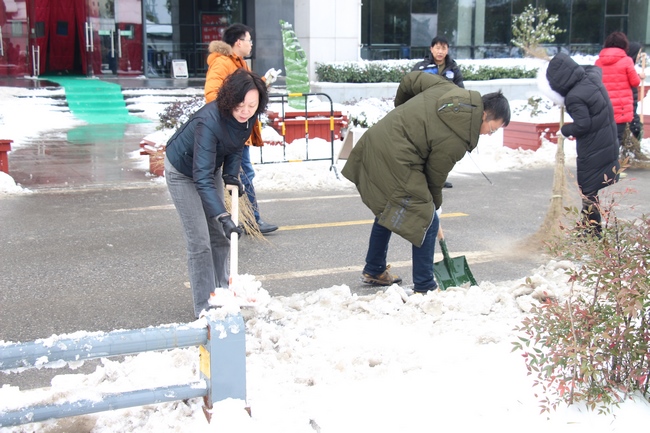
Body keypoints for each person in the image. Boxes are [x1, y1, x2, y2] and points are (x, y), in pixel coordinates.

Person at [341, 71, 510, 293]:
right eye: (493, 128)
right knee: (426, 218)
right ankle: (425, 286)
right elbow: (434, 177)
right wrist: (434, 209)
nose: (489, 134)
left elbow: (411, 80)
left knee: (390, 208)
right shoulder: (458, 139)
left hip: (378, 138)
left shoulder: (448, 89)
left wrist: (401, 113)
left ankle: (374, 269)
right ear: (485, 114)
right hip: (398, 157)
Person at [165, 69, 269, 319]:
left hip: (208, 167)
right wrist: (222, 215)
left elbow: (235, 144)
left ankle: (222, 291)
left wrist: (231, 174)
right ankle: (204, 307)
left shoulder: (248, 118)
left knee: (221, 236)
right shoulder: (208, 121)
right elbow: (200, 178)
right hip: (183, 172)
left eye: (252, 106)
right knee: (200, 242)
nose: (245, 111)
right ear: (229, 99)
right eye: (240, 105)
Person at [205, 23, 278, 234]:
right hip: (232, 132)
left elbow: (245, 91)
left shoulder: (239, 64)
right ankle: (251, 221)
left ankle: (248, 219)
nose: (251, 44)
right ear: (239, 42)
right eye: (249, 40)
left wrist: (263, 82)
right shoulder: (223, 63)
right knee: (243, 175)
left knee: (243, 175)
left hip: (238, 132)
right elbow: (212, 95)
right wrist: (235, 115)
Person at [542, 52, 620, 237]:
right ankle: (588, 227)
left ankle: (593, 231)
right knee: (590, 189)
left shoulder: (575, 97)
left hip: (594, 147)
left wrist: (564, 131)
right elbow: (594, 68)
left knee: (588, 189)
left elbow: (583, 124)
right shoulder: (591, 77)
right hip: (607, 140)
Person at [412, 35, 464, 188]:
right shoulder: (421, 67)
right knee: (424, 146)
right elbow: (411, 86)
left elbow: (461, 90)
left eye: (444, 48)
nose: (440, 51)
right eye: (437, 48)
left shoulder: (453, 68)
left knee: (441, 148)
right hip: (425, 113)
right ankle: (420, 177)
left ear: (447, 50)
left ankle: (438, 178)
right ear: (431, 49)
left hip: (445, 115)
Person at [595, 32, 641, 147]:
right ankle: (613, 164)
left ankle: (603, 163)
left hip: (603, 107)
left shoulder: (598, 62)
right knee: (617, 141)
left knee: (604, 141)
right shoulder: (627, 61)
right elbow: (635, 82)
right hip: (621, 108)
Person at [626, 41, 646, 141]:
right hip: (627, 108)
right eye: (638, 53)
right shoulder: (627, 66)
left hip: (630, 107)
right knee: (636, 129)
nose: (639, 56)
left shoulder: (629, 67)